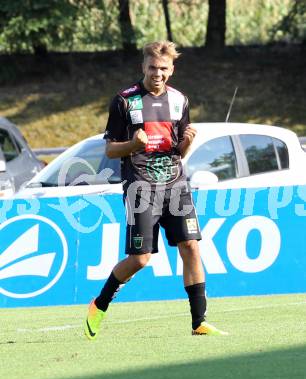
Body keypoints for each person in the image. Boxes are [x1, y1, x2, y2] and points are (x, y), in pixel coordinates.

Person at [84, 40, 227, 339]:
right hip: (141, 186)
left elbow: (179, 151)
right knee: (141, 259)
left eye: (163, 68)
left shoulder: (180, 101)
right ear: (143, 67)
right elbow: (110, 150)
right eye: (152, 67)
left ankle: (198, 322)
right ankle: (100, 303)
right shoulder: (124, 101)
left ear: (172, 69)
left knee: (191, 247)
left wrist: (187, 141)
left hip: (175, 184)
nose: (157, 73)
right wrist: (133, 145)